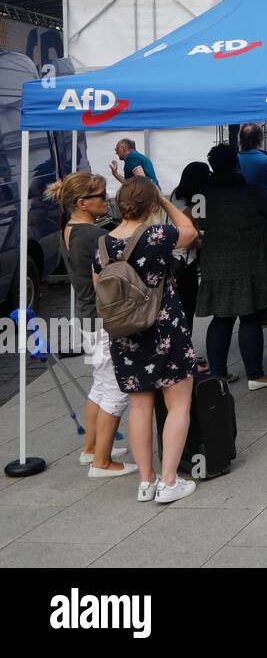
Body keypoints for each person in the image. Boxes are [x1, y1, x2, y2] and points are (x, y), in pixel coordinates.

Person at [91, 178, 200, 504]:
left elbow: (101, 289)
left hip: (125, 335)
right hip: (164, 328)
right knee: (178, 404)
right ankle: (169, 482)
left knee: (139, 405)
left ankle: (146, 481)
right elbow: (190, 232)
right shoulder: (157, 235)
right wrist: (165, 202)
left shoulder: (102, 244)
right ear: (150, 205)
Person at [48, 172, 134, 478]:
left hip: (87, 317)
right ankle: (102, 462)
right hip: (102, 318)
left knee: (100, 385)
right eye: (101, 195)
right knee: (114, 389)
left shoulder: (69, 230)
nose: (106, 199)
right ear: (83, 202)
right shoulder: (92, 235)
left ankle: (91, 450)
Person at [193, 143, 267, 390]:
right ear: (236, 164)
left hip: (214, 261)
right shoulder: (248, 191)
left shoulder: (202, 194)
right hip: (248, 260)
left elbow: (200, 223)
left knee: (221, 318)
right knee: (250, 316)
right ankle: (256, 374)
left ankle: (218, 375)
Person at [170, 161, 210, 335]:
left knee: (175, 310)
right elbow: (193, 235)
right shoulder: (198, 200)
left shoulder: (174, 194)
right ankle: (186, 352)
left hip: (170, 255)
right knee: (188, 307)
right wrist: (207, 241)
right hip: (186, 260)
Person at [237, 123, 267, 204]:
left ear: (241, 139)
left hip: (239, 213)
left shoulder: (233, 162)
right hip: (265, 214)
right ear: (260, 140)